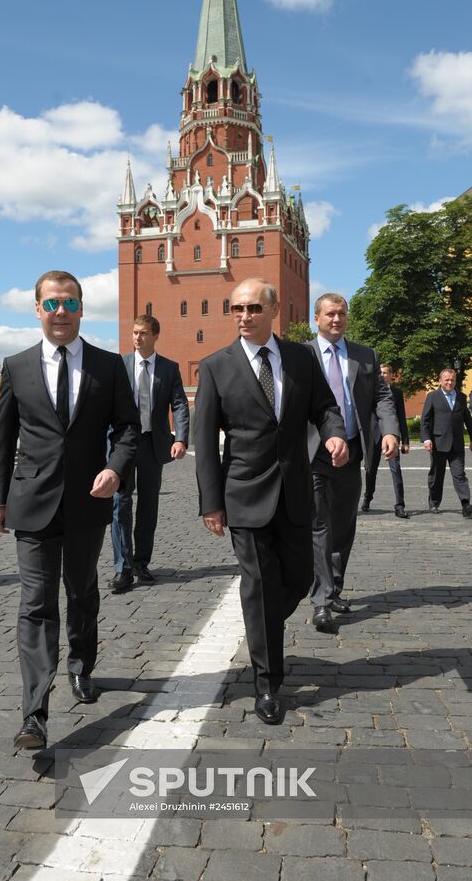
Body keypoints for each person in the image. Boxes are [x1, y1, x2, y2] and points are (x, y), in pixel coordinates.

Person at [0, 270, 140, 749]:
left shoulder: (108, 366)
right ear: (37, 308)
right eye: (52, 303)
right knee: (35, 604)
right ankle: (34, 713)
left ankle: (80, 666)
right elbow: (4, 438)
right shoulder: (16, 365)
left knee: (81, 593)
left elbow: (129, 428)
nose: (60, 312)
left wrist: (115, 468)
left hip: (87, 503)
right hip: (31, 503)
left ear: (81, 309)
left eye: (70, 304)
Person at [194, 278, 348, 725]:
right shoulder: (215, 366)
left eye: (253, 308)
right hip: (243, 495)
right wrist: (211, 502)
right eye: (236, 308)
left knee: (299, 580)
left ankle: (261, 624)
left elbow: (324, 407)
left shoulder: (300, 357)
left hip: (297, 492)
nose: (244, 316)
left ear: (272, 310)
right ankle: (268, 684)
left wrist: (335, 435)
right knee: (259, 584)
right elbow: (204, 442)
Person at [307, 294, 399, 633]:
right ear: (316, 318)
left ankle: (334, 588)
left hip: (354, 451)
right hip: (314, 452)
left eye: (342, 314)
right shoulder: (302, 355)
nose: (336, 319)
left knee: (344, 524)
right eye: (330, 314)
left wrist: (389, 431)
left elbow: (382, 398)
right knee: (319, 524)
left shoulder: (365, 355)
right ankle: (321, 600)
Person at [109, 314, 189, 591]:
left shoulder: (169, 368)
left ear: (155, 335)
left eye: (143, 333)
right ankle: (123, 568)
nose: (138, 337)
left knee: (148, 506)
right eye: (134, 332)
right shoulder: (119, 365)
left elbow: (179, 404)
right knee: (120, 504)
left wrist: (181, 438)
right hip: (123, 444)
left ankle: (141, 562)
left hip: (154, 444)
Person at [421, 368, 472, 517]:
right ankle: (434, 503)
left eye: (452, 380)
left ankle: (466, 504)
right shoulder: (432, 396)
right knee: (437, 475)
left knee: (460, 475)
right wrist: (426, 439)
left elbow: (468, 420)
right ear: (440, 380)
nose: (450, 382)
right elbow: (425, 420)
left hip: (456, 444)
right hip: (438, 443)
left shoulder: (461, 397)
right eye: (447, 380)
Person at [361, 363, 410, 518]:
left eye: (386, 372)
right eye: (380, 373)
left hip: (391, 437)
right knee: (370, 470)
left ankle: (400, 505)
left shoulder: (396, 393)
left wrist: (405, 440)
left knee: (396, 471)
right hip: (373, 436)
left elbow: (401, 417)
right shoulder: (370, 392)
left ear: (391, 375)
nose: (383, 375)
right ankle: (368, 498)